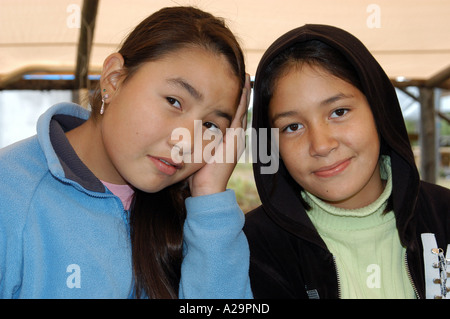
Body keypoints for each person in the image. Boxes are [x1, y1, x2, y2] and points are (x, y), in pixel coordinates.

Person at [0, 6, 252, 299]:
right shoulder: (11, 195)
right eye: (174, 101)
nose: (186, 142)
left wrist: (210, 199)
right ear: (114, 79)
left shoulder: (197, 219)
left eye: (210, 125)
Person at [244, 24, 450, 299]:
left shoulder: (443, 216)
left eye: (339, 111)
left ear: (379, 109)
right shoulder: (252, 248)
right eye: (292, 127)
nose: (321, 145)